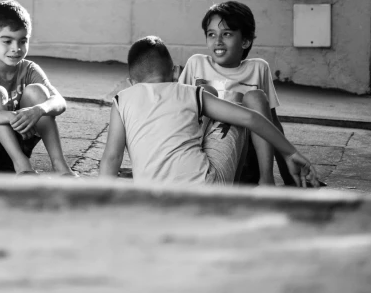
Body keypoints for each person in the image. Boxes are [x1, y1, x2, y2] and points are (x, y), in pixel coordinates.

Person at [99, 36, 319, 187]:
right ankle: (242, 188)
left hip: (151, 196)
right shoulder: (189, 92)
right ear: (176, 72)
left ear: (130, 82)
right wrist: (290, 153)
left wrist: (100, 205)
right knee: (236, 103)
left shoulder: (122, 100)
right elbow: (251, 118)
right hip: (206, 187)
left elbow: (111, 158)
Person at [178, 1, 297, 186]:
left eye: (226, 34)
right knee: (203, 95)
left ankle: (266, 181)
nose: (217, 41)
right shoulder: (196, 64)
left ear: (245, 41)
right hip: (201, 153)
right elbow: (178, 114)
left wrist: (290, 176)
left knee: (255, 97)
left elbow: (272, 124)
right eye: (211, 34)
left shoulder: (258, 68)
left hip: (245, 157)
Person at [0, 0, 76, 176]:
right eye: (7, 41)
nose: (16, 48)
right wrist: (11, 116)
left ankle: (60, 165)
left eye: (22, 41)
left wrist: (38, 110)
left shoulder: (29, 69)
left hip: (16, 143)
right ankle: (22, 166)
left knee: (39, 92)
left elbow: (59, 102)